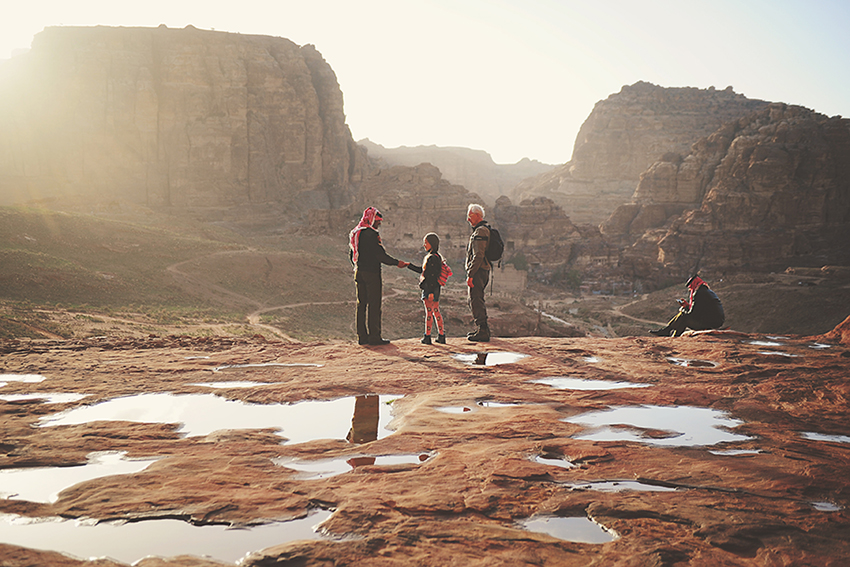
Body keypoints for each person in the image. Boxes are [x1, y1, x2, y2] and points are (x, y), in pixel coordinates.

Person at [349, 207, 408, 345]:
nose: (379, 224)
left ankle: (362, 337)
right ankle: (374, 337)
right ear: (371, 219)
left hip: (359, 272)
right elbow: (380, 255)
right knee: (374, 305)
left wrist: (359, 267)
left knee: (361, 304)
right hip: (372, 273)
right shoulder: (371, 234)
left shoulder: (356, 233)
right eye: (377, 221)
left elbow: (352, 254)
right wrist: (397, 263)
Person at [407, 233, 448, 345]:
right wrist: (409, 265)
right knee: (436, 312)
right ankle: (441, 335)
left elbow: (431, 276)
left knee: (429, 313)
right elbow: (425, 271)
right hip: (436, 288)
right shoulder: (437, 257)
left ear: (432, 244)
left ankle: (427, 337)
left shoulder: (431, 258)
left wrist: (429, 292)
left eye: (426, 243)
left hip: (430, 289)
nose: (424, 245)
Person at [650, 275, 725, 337]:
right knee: (683, 317)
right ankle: (671, 334)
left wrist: (683, 309)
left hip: (710, 323)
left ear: (694, 284)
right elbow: (699, 310)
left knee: (683, 317)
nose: (689, 288)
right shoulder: (705, 291)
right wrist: (687, 306)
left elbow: (691, 314)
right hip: (715, 321)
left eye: (690, 286)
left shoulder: (699, 293)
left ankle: (667, 331)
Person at [465, 203, 491, 342]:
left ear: (477, 215)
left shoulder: (480, 231)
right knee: (476, 299)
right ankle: (482, 329)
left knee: (476, 300)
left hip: (478, 272)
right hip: (481, 271)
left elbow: (478, 255)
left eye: (470, 216)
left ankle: (483, 331)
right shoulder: (481, 230)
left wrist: (470, 274)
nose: (468, 219)